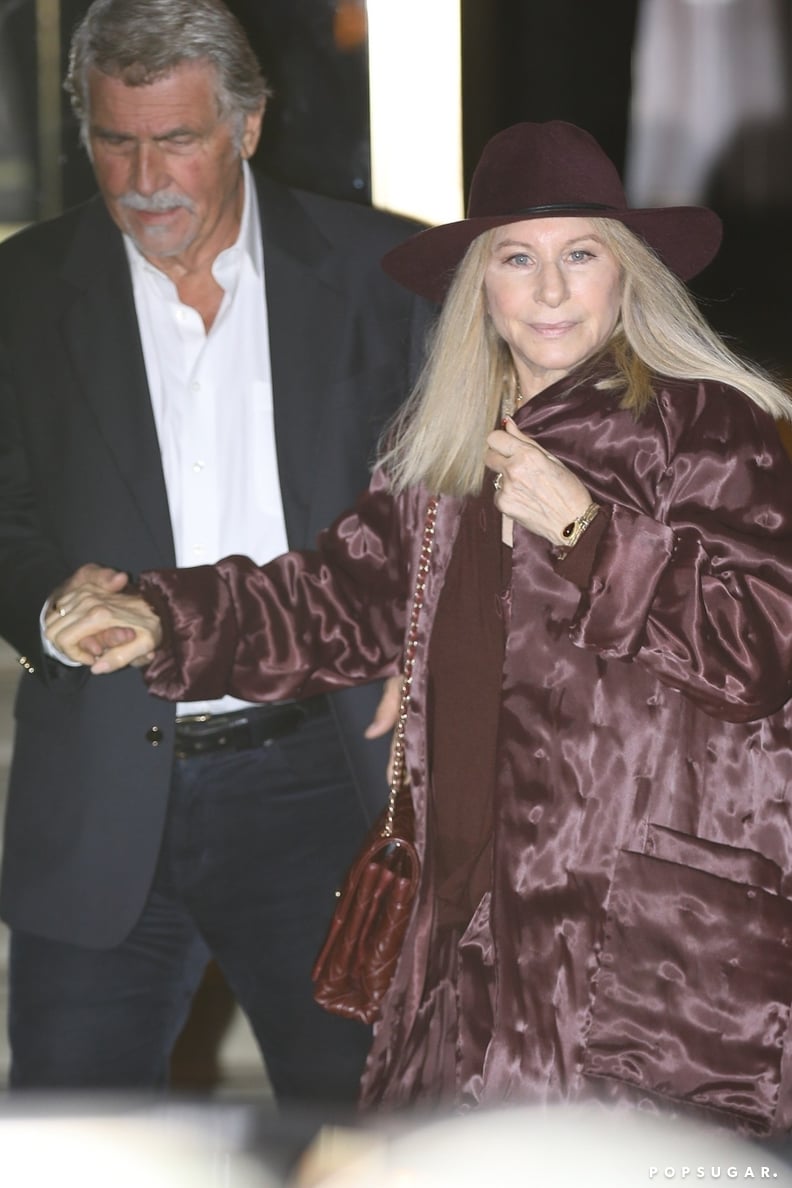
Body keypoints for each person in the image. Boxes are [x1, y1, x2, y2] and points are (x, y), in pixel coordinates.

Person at [48, 120, 792, 1135]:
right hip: (469, 935)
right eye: (516, 260)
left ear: (627, 276)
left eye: (582, 255)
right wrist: (161, 618)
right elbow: (333, 600)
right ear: (478, 286)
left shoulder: (704, 427)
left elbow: (759, 648)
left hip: (644, 955)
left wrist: (584, 529)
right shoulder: (445, 459)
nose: (550, 289)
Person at [0, 0, 431, 1103]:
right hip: (100, 784)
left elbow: (450, 505)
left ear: (246, 126)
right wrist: (47, 605)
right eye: (114, 138)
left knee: (365, 1132)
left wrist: (429, 653)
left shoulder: (387, 274)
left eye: (178, 139)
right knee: (73, 1144)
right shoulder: (20, 292)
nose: (142, 176)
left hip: (322, 784)